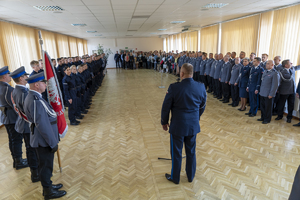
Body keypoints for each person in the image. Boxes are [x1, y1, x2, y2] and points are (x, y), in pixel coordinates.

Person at [161, 63, 206, 184]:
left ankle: (175, 177)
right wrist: (196, 117)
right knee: (191, 151)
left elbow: (166, 107)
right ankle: (190, 176)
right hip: (192, 125)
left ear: (182, 73)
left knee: (176, 152)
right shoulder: (201, 87)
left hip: (177, 126)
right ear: (192, 73)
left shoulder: (174, 88)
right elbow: (203, 105)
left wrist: (164, 122)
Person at [23, 72, 66, 199]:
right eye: (43, 82)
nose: (46, 84)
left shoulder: (36, 97)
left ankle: (49, 185)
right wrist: (52, 142)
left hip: (43, 140)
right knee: (45, 167)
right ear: (36, 85)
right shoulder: (35, 100)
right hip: (43, 141)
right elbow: (42, 124)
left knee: (46, 165)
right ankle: (48, 192)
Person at [10, 66, 39, 181]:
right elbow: (28, 111)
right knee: (31, 150)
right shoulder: (23, 93)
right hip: (27, 125)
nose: (27, 77)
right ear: (21, 78)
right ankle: (35, 174)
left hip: (23, 123)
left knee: (30, 149)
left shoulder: (15, 90)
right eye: (25, 76)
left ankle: (35, 172)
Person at [0, 66, 29, 169]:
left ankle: (16, 160)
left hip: (5, 117)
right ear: (4, 76)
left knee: (12, 140)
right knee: (16, 140)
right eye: (8, 74)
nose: (10, 76)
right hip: (12, 118)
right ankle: (19, 161)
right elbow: (14, 105)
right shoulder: (8, 89)